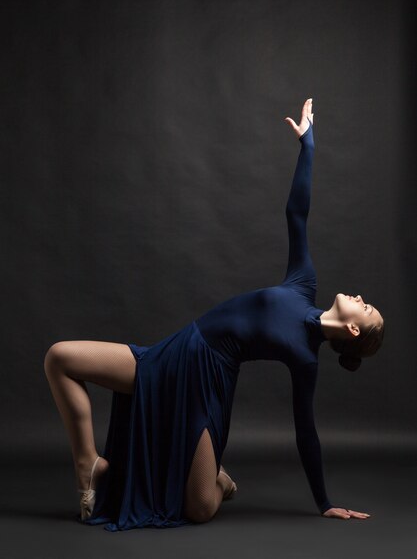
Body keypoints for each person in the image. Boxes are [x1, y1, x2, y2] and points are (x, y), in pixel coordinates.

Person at [44, 98, 384, 532]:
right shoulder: (303, 284)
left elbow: (307, 433)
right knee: (60, 358)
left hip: (209, 388)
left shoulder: (305, 358)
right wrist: (308, 147)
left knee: (199, 509)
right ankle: (89, 465)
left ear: (354, 328)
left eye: (366, 305)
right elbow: (296, 214)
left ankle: (217, 479)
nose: (359, 295)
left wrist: (324, 503)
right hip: (176, 356)